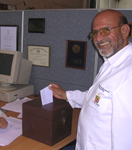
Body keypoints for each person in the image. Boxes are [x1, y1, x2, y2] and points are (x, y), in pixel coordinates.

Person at [49, 9, 132, 150]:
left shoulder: (128, 75)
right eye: (95, 33)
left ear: (125, 31)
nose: (98, 39)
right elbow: (98, 99)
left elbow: (125, 141)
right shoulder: (111, 63)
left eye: (106, 30)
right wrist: (66, 95)